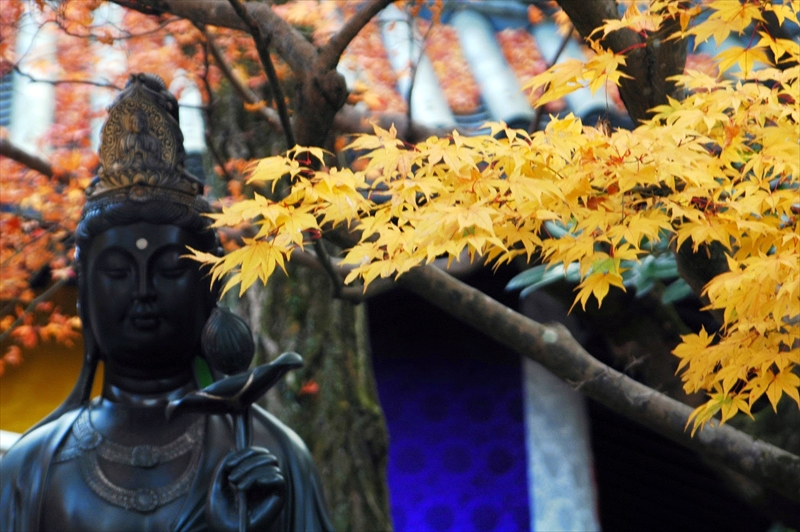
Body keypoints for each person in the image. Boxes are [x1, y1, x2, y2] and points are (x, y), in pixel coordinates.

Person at [0, 73, 333, 532]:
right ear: (85, 301)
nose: (143, 290)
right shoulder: (31, 466)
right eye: (118, 272)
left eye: (170, 269)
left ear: (210, 290)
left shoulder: (269, 456)